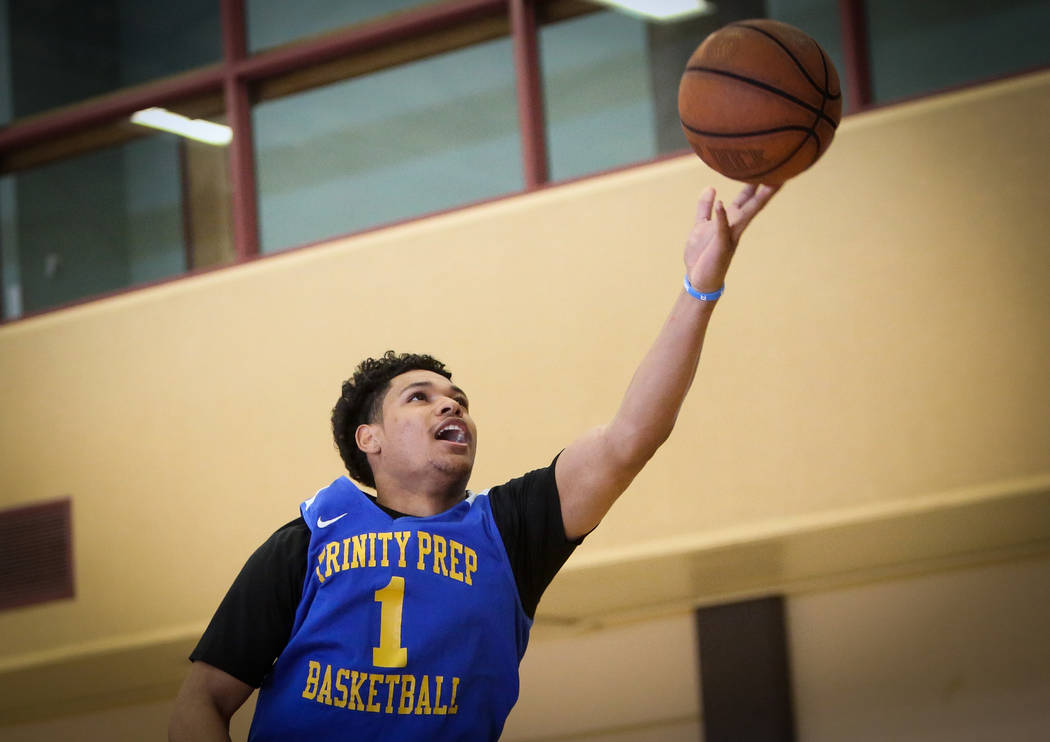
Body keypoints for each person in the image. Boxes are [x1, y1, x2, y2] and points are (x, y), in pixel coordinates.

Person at [168, 183, 779, 741]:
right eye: (419, 397)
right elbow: (202, 700)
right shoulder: (307, 541)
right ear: (369, 439)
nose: (448, 405)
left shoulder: (510, 531)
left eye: (457, 399)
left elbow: (630, 438)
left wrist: (700, 289)